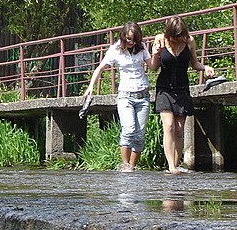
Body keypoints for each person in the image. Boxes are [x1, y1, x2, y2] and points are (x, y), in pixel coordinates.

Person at [150, 16, 215, 174]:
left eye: (180, 36)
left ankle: (176, 164)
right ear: (169, 34)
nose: (177, 39)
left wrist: (205, 67)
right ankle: (171, 166)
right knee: (169, 125)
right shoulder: (160, 39)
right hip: (164, 88)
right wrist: (155, 54)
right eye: (174, 36)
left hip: (182, 88)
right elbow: (153, 68)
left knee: (179, 129)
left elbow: (194, 64)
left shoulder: (189, 41)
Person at [83, 22, 151, 172]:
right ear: (123, 37)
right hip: (125, 96)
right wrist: (91, 86)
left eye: (134, 39)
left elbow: (152, 66)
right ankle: (125, 165)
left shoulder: (142, 48)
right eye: (128, 39)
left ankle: (132, 167)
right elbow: (100, 68)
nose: (131, 42)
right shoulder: (115, 49)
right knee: (129, 129)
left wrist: (158, 52)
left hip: (143, 95)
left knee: (139, 135)